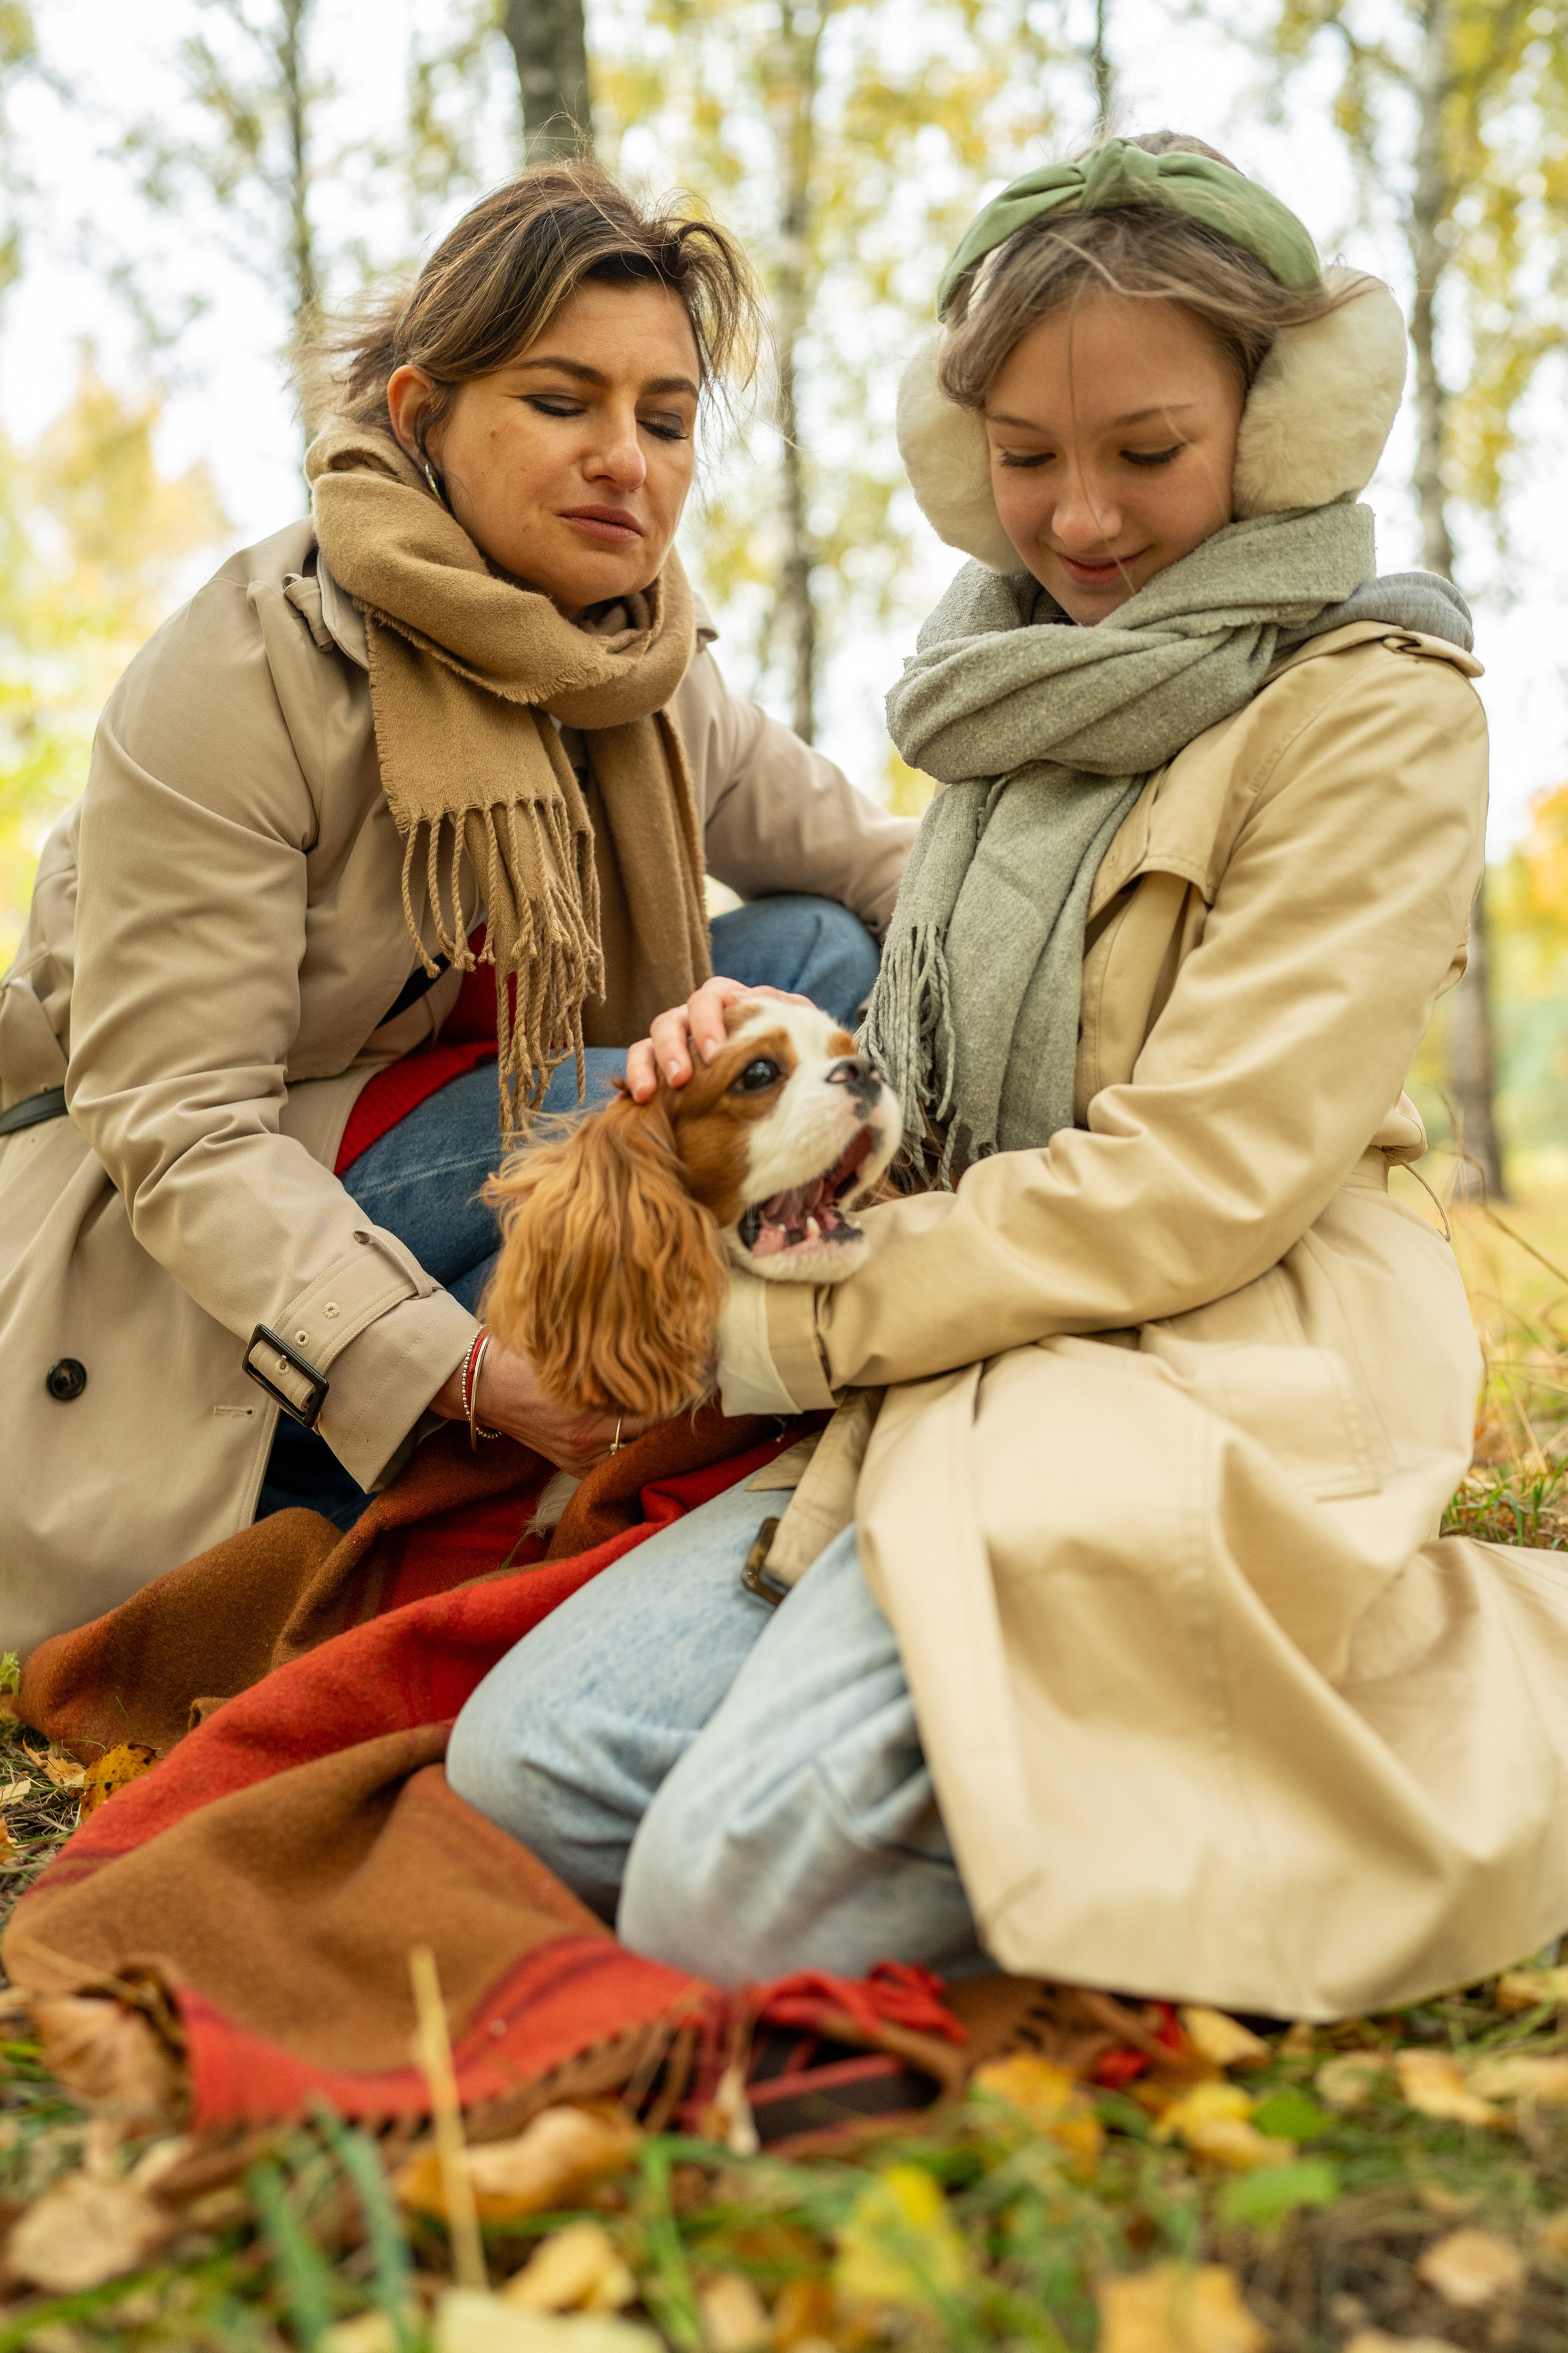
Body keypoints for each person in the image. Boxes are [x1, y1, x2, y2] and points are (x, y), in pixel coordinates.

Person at [450, 135, 1568, 2023]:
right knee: (528, 1774)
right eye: (1030, 458)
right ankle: (1070, 1778)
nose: (1085, 517)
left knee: (722, 1901)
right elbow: (930, 1098)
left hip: (1212, 1355)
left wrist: (774, 1329)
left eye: (1148, 450)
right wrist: (767, 1075)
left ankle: (1465, 1718)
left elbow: (1197, 1182)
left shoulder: (1375, 705)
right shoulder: (998, 703)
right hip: (976, 1348)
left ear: (1280, 428)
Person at [0, 162, 914, 1653]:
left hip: (490, 1111)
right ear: (423, 413)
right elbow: (177, 1120)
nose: (624, 461)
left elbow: (879, 864)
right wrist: (460, 1369)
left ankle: (743, 1345)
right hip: (200, 1206)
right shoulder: (243, 672)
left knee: (815, 953)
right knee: (647, 1109)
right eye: (561, 403)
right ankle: (568, 1422)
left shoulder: (634, 664)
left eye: (665, 420)